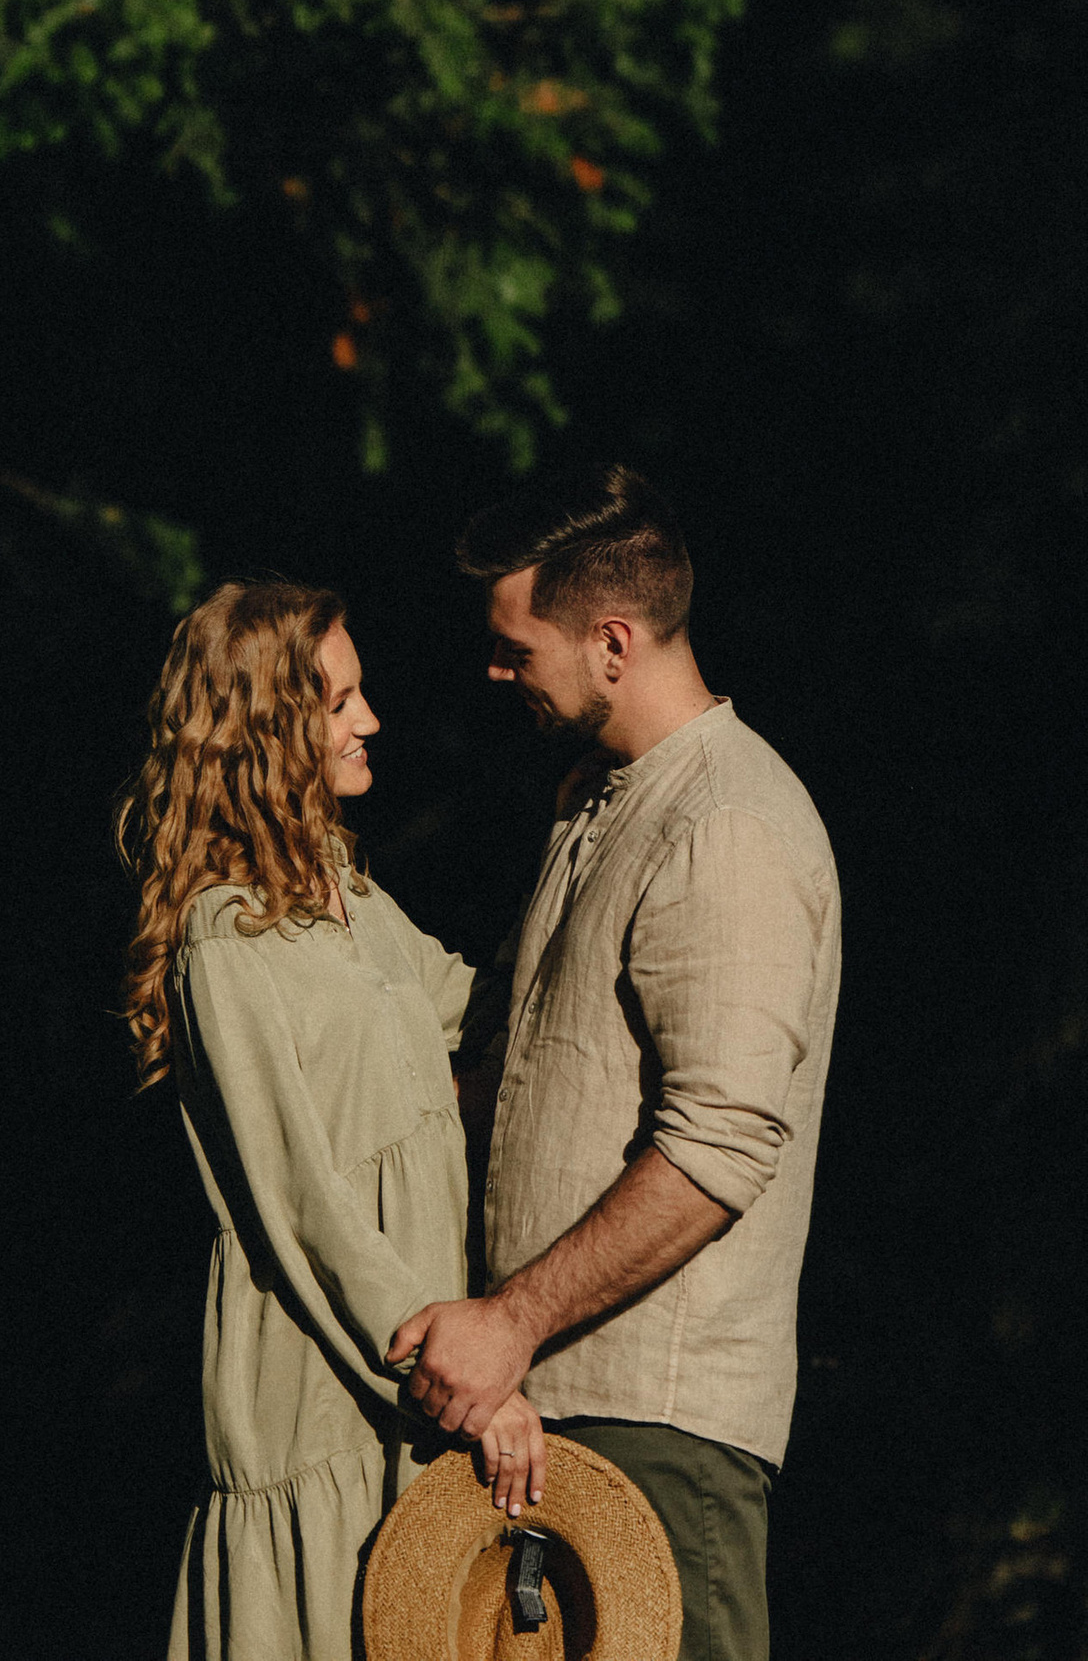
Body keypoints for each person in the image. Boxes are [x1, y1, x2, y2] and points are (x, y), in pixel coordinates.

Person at [387, 468, 841, 1661]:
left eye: (514, 647)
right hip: (555, 1414)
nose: (494, 673)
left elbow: (719, 1146)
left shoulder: (726, 824)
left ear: (610, 643)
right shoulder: (602, 805)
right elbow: (521, 1077)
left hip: (658, 1422)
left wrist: (510, 1320)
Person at [122, 578, 544, 1661]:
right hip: (317, 1384)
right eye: (338, 702)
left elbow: (477, 1006)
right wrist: (454, 1371)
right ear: (266, 732)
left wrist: (591, 879)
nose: (368, 721)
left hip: (401, 1373)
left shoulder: (342, 891)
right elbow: (301, 1201)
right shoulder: (224, 938)